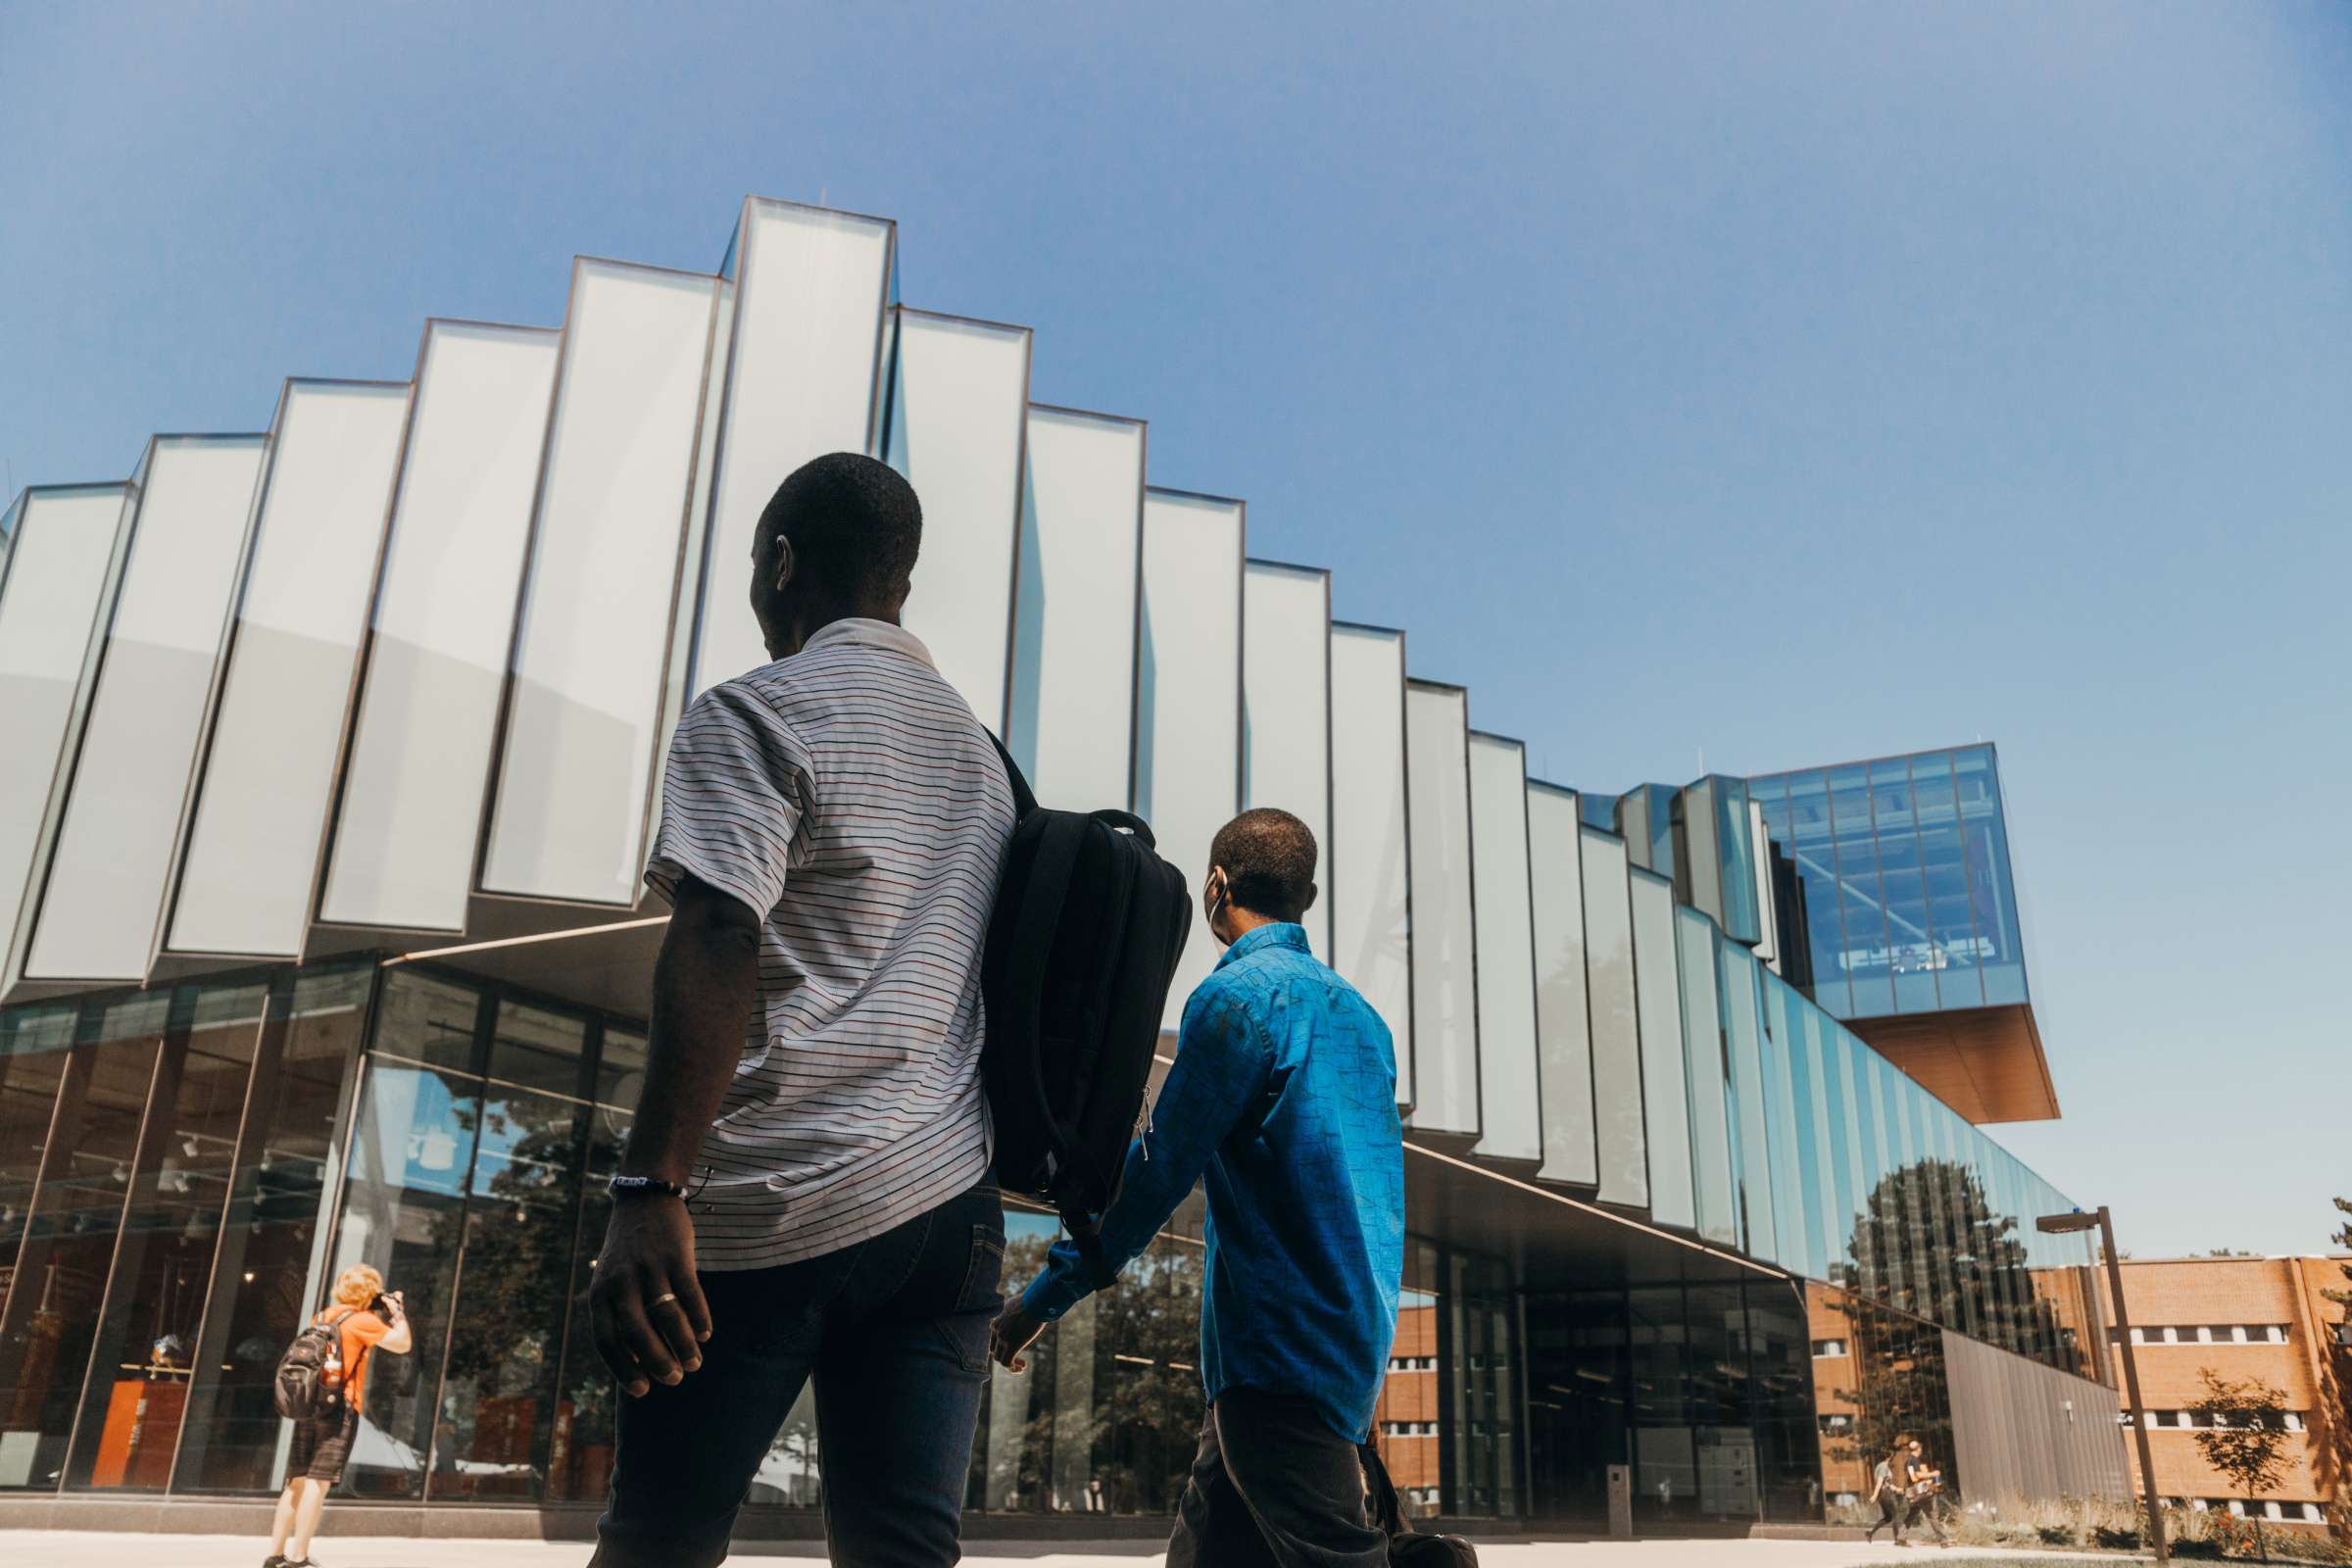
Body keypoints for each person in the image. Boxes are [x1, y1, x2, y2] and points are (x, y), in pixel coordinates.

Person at [586, 453, 1016, 1568]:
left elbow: (722, 931)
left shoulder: (756, 711)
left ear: (781, 563)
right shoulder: (985, 761)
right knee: (903, 1552)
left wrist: (650, 1187)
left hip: (776, 1197)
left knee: (660, 1539)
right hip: (948, 1211)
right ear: (902, 584)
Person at [991, 808, 1406, 1568]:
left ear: (1216, 886)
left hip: (1275, 1358)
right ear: (1304, 895)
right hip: (1332, 1353)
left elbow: (1153, 1176)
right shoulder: (1365, 1022)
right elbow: (1375, 1210)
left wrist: (1036, 1303)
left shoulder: (1236, 1002)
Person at [265, 1264, 411, 1568]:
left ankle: (276, 1554)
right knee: (318, 1483)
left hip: (308, 1405)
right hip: (338, 1409)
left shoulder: (322, 1317)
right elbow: (402, 1344)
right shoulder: (363, 1321)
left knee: (296, 1481)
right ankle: (299, 1557)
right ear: (369, 1292)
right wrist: (397, 1312)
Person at [1904, 1438, 1952, 1546]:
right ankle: (1944, 1540)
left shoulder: (1908, 1460)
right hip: (1921, 1492)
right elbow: (1918, 1475)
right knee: (1933, 1515)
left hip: (1913, 1493)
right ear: (1919, 1449)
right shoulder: (1915, 1460)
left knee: (1912, 1514)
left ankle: (1901, 1538)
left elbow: (1912, 1478)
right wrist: (1933, 1474)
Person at [1863, 1436, 1908, 1545]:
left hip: (1884, 1494)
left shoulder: (1882, 1466)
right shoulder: (1883, 1467)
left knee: (1888, 1517)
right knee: (1897, 1516)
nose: (1894, 1456)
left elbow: (1886, 1483)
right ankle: (1899, 1540)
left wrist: (1896, 1489)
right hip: (1885, 1494)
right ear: (1890, 1455)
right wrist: (1874, 1495)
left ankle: (1870, 1533)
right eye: (1893, 1454)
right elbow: (1879, 1482)